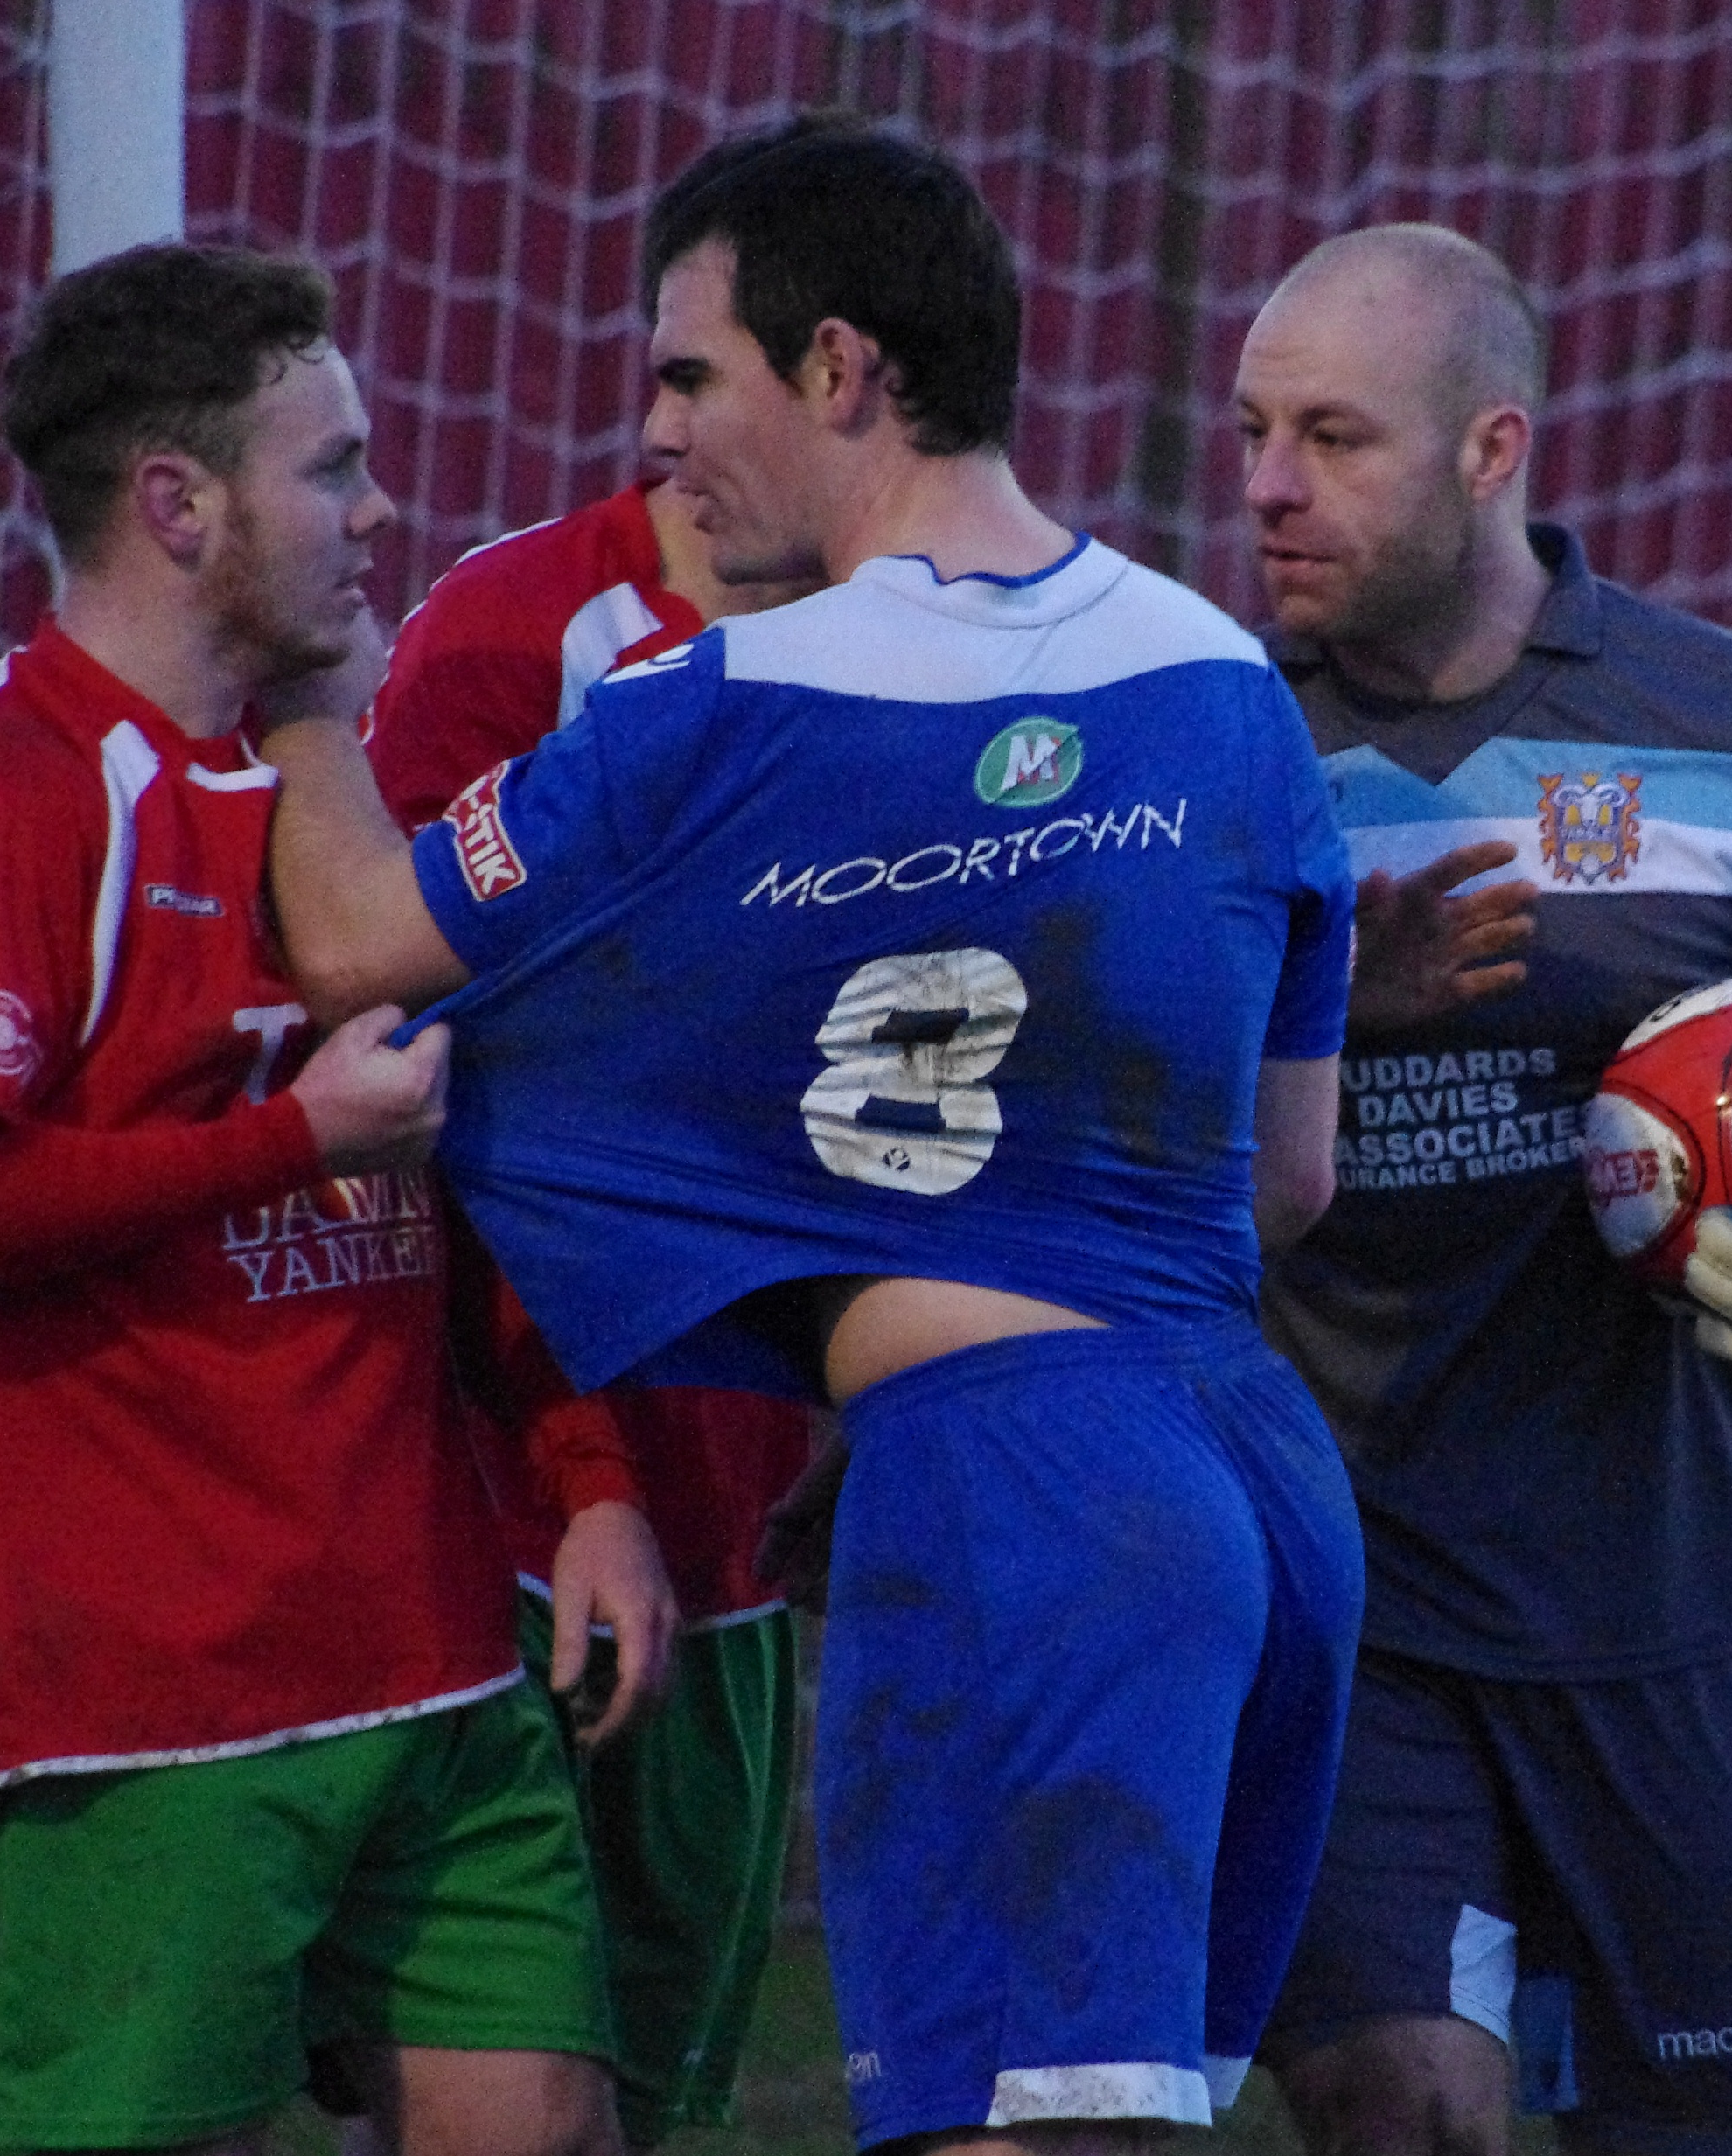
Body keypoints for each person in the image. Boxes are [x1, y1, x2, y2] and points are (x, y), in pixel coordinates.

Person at [255, 122, 1368, 2156]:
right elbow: (1285, 1179)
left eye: (691, 375)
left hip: (1011, 1496)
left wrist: (305, 687)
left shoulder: (727, 700)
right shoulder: (1223, 681)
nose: (660, 439)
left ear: (838, 370)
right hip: (1249, 1481)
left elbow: (348, 938)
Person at [1232, 226, 1732, 2156]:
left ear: (1488, 449)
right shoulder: (1210, 739)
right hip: (1351, 1581)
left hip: (1666, 1596)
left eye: (1331, 436)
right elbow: (1113, 1132)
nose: (1265, 483)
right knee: (1398, 2101)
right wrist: (1325, 1005)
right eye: (1251, 429)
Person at [0, 242, 627, 2156]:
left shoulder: (324, 794)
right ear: (178, 503)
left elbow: (448, 1179)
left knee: (549, 2124)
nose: (377, 508)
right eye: (329, 466)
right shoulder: (11, 787)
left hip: (431, 1659)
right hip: (141, 1705)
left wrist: (586, 1470)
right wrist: (284, 1141)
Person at [364, 471, 821, 2151]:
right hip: (495, 1514)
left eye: (700, 380)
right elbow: (412, 1058)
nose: (660, 425)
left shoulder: (931, 643)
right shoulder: (514, 632)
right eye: (662, 373)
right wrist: (580, 1473)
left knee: (648, 2099)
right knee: (506, 2100)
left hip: (743, 1521)